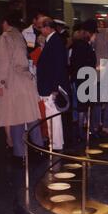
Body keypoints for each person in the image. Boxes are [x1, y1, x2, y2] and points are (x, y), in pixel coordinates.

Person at [0, 13, 43, 164]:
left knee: (15, 118)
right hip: (25, 81)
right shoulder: (19, 36)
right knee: (31, 117)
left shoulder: (5, 38)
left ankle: (19, 154)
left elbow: (2, 62)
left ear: (5, 22)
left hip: (13, 83)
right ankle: (39, 148)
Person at [37, 17, 70, 150]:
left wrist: (55, 88)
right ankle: (56, 142)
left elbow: (58, 66)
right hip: (50, 85)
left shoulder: (55, 41)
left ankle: (55, 144)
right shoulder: (53, 40)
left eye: (40, 27)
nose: (40, 30)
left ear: (47, 28)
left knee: (53, 116)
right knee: (53, 116)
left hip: (51, 86)